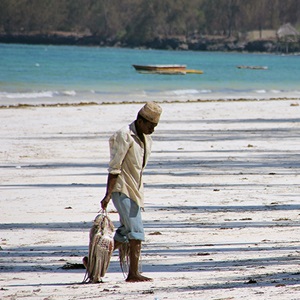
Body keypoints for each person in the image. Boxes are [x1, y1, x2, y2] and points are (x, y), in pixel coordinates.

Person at [100, 101, 162, 282]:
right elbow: (114, 167)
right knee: (136, 232)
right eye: (151, 126)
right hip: (122, 189)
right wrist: (107, 194)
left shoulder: (146, 138)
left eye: (155, 126)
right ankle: (133, 273)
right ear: (141, 121)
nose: (153, 130)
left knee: (126, 232)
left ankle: (94, 259)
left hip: (135, 190)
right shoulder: (124, 135)